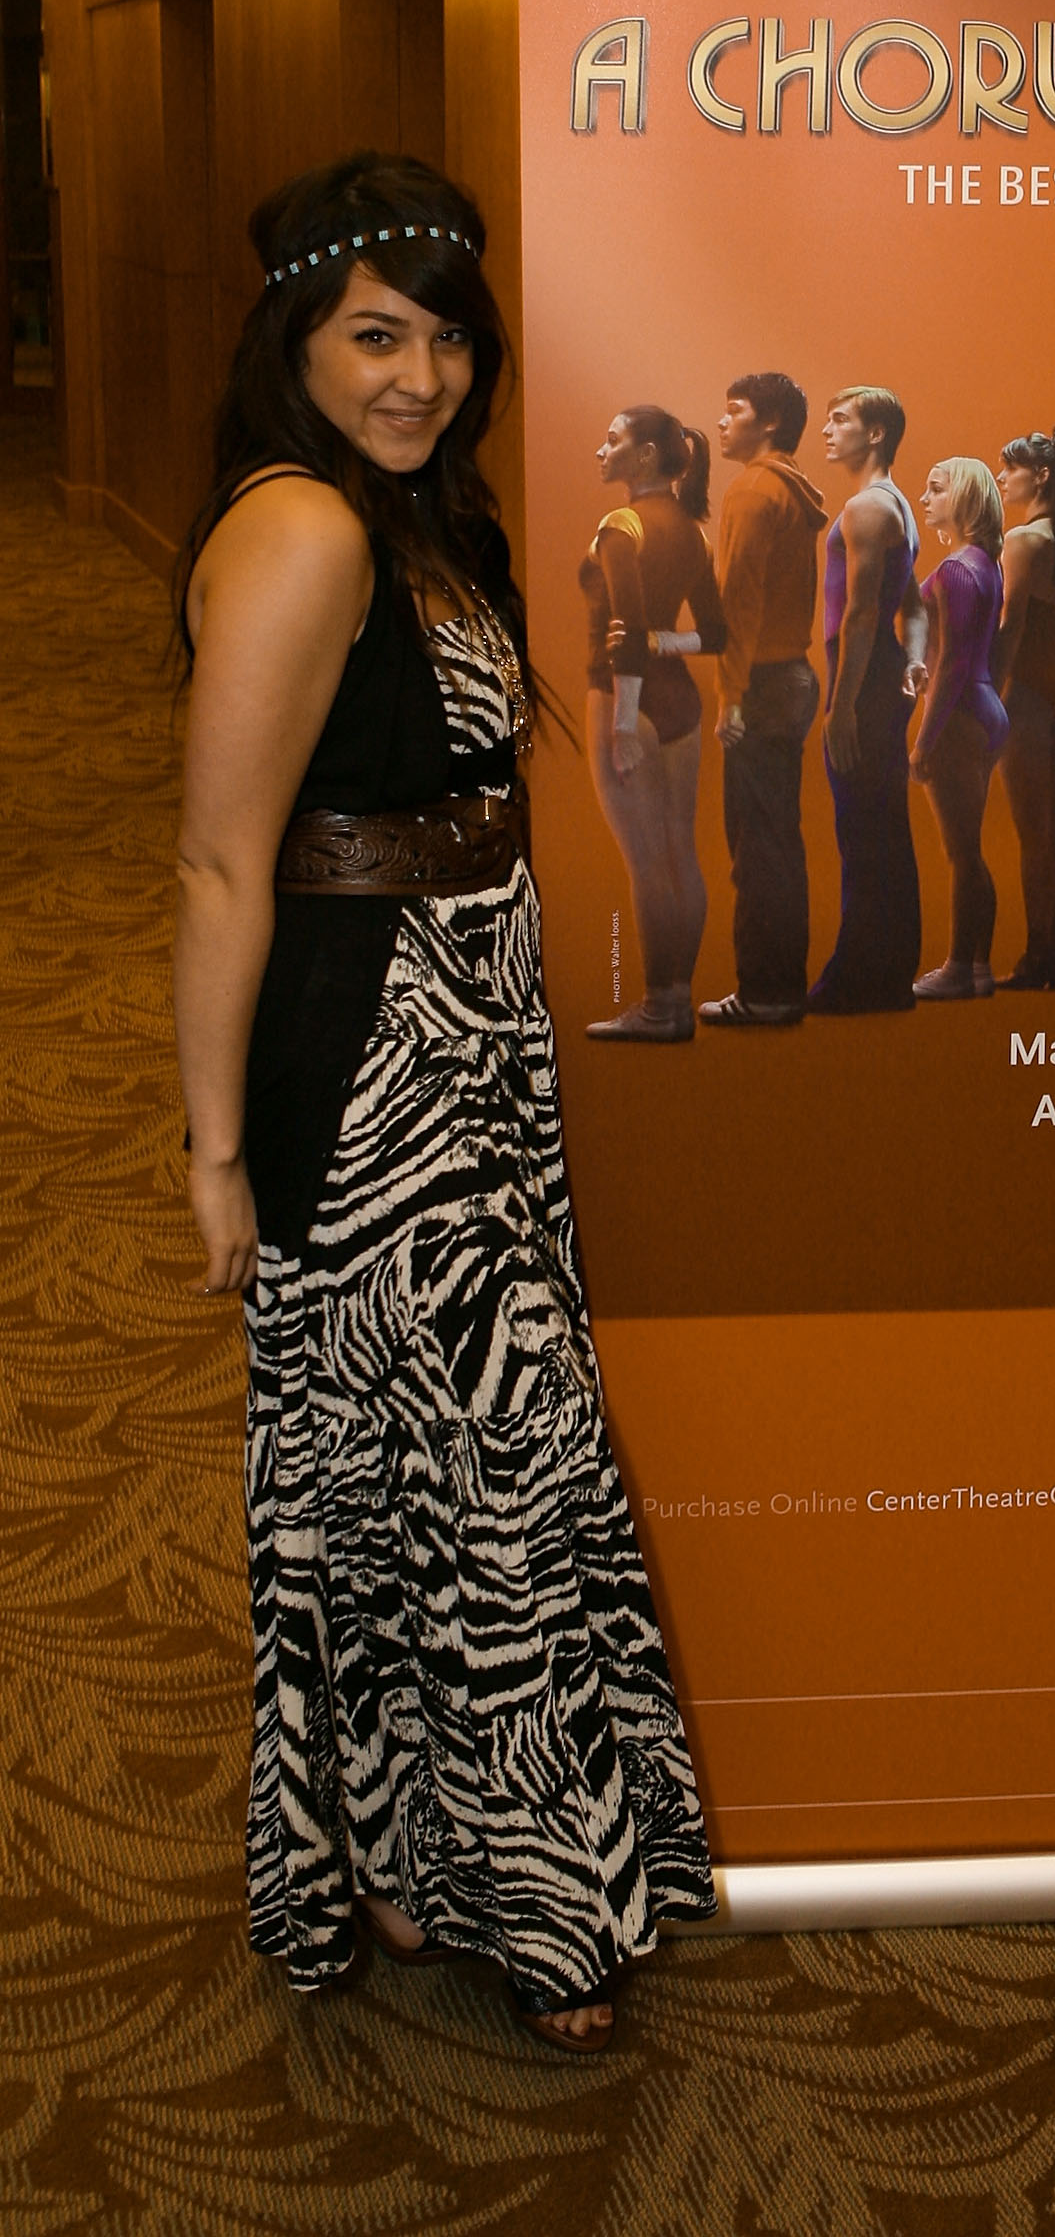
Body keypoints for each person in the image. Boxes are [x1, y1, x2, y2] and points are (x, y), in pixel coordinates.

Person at [172, 153, 713, 2057]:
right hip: (369, 1061)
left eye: (446, 337)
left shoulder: (405, 513)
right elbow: (226, 866)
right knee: (485, 1479)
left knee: (410, 1475)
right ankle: (545, 1908)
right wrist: (218, 1149)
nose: (420, 374)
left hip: (459, 1034)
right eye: (373, 335)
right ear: (294, 341)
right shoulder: (306, 529)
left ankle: (404, 1859)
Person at [580, 405, 724, 1040]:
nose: (600, 450)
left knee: (646, 863)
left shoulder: (622, 525)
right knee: (679, 852)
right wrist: (670, 646)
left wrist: (622, 722)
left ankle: (659, 1006)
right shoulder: (693, 532)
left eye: (612, 440)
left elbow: (629, 634)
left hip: (623, 700)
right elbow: (713, 633)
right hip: (682, 708)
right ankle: (676, 997)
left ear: (643, 457)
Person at [704, 371, 826, 1028]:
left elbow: (739, 602)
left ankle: (765, 994)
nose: (723, 422)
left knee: (756, 847)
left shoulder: (752, 489)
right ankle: (782, 987)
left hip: (761, 684)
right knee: (778, 841)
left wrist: (730, 696)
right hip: (794, 676)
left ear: (770, 423)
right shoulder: (794, 488)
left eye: (735, 410)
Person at [809, 386, 927, 1015]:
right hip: (880, 671)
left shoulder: (866, 509)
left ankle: (861, 977)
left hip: (858, 673)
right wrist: (913, 662)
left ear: (876, 433)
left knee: (864, 828)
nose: (828, 430)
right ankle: (887, 973)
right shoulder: (898, 506)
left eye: (841, 420)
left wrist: (842, 704)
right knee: (883, 825)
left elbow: (859, 613)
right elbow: (914, 607)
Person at [992, 421, 1055, 990]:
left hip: (1026, 688)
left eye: (1011, 469)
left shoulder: (1023, 540)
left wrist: (989, 694)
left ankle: (1038, 953)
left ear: (1041, 476)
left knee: (1033, 831)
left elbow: (1009, 624)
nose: (1002, 478)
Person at [910, 457, 1009, 998]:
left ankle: (958, 967)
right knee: (969, 849)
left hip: (959, 716)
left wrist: (924, 740)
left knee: (961, 852)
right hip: (986, 707)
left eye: (936, 489)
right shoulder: (986, 564)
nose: (925, 498)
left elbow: (949, 662)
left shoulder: (955, 569)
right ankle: (977, 966)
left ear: (965, 498)